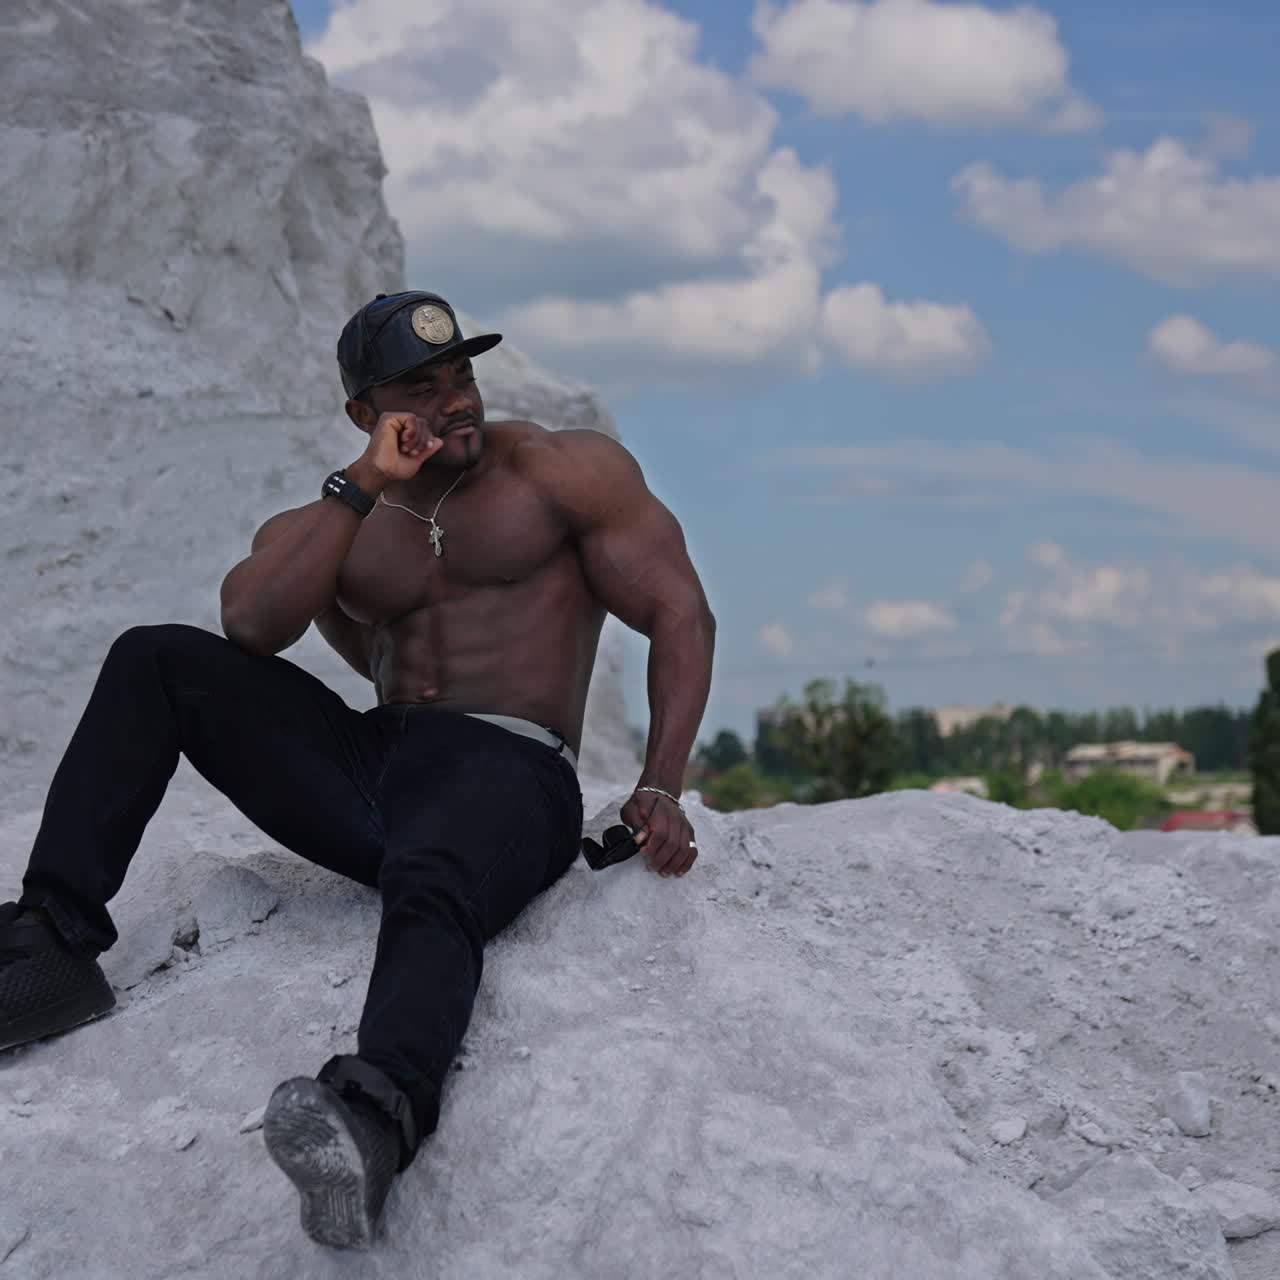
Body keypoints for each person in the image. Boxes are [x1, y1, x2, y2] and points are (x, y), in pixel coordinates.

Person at [0, 290, 716, 1248]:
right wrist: (359, 487)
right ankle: (50, 946)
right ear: (364, 414)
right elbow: (253, 626)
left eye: (461, 373)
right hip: (378, 762)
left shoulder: (561, 470)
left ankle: (376, 1116)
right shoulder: (344, 516)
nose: (455, 399)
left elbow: (680, 612)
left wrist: (661, 782)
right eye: (421, 388)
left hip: (510, 767)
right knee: (154, 658)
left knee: (434, 866)